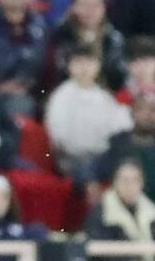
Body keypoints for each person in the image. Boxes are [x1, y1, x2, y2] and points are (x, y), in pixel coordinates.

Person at [46, 48, 132, 176]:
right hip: (72, 158)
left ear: (98, 66)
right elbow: (59, 136)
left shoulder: (105, 97)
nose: (84, 68)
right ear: (70, 66)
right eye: (79, 62)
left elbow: (119, 127)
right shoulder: (61, 96)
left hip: (103, 156)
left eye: (90, 63)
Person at [85, 159, 155, 261]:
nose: (130, 186)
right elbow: (98, 256)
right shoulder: (100, 214)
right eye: (125, 180)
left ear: (142, 183)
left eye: (135, 180)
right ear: (115, 182)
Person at [97, 90, 155, 210]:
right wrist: (90, 183)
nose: (148, 115)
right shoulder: (118, 146)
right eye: (142, 109)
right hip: (128, 216)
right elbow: (89, 170)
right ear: (132, 113)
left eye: (153, 110)